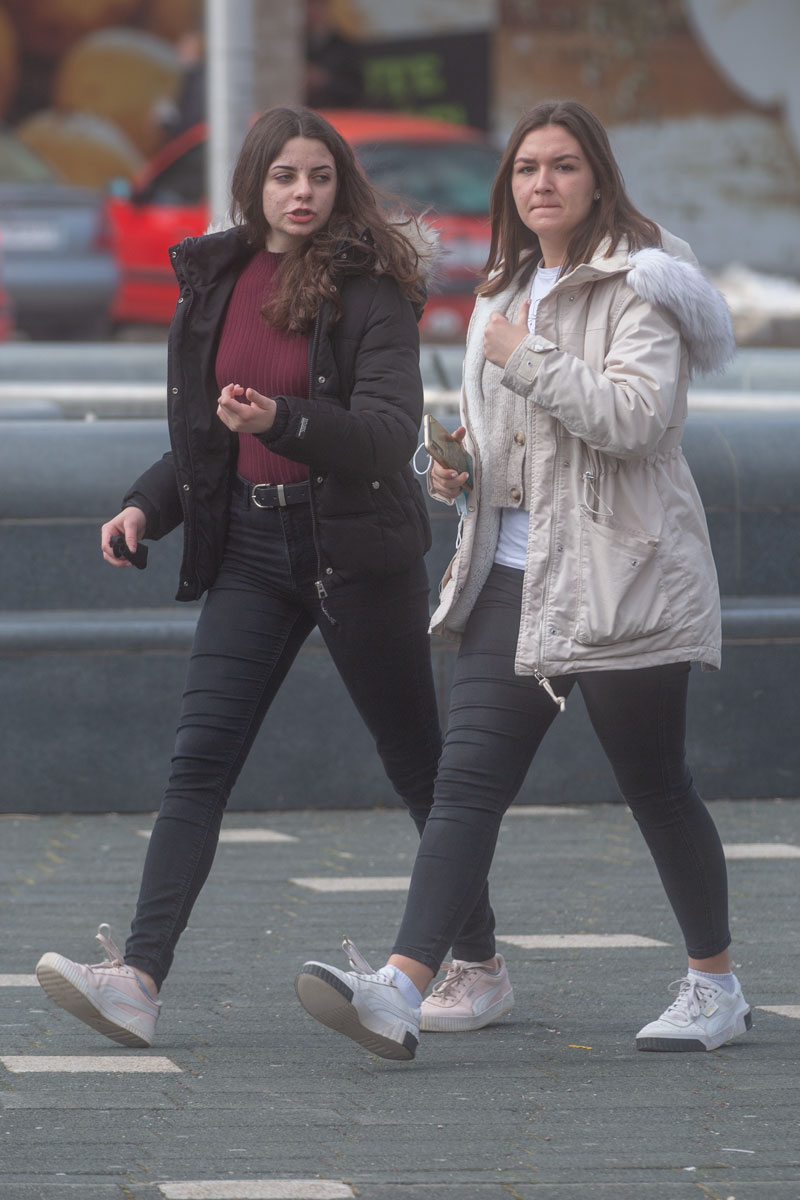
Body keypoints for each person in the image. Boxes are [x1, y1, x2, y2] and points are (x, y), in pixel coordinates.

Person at [33, 105, 504, 1049]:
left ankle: (480, 964)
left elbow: (386, 436)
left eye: (320, 177)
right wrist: (146, 506)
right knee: (199, 761)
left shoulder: (372, 289)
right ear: (253, 184)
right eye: (285, 176)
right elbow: (207, 433)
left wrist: (280, 422)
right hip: (249, 548)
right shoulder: (219, 277)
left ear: (341, 187)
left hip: (353, 550)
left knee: (417, 762)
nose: (302, 194)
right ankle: (138, 979)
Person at [295, 98, 752, 1060]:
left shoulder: (643, 281)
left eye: (564, 166)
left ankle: (715, 986)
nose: (543, 183)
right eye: (528, 168)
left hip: (623, 572)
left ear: (598, 178)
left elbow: (636, 420)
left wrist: (526, 355)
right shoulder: (504, 284)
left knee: (656, 785)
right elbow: (517, 431)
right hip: (513, 571)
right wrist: (461, 466)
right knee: (465, 785)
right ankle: (401, 987)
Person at [305, 0, 364, 110]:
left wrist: (324, 80)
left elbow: (355, 89)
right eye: (309, 6)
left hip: (340, 114)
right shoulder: (297, 46)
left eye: (316, 6)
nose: (312, 11)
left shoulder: (345, 47)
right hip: (305, 114)